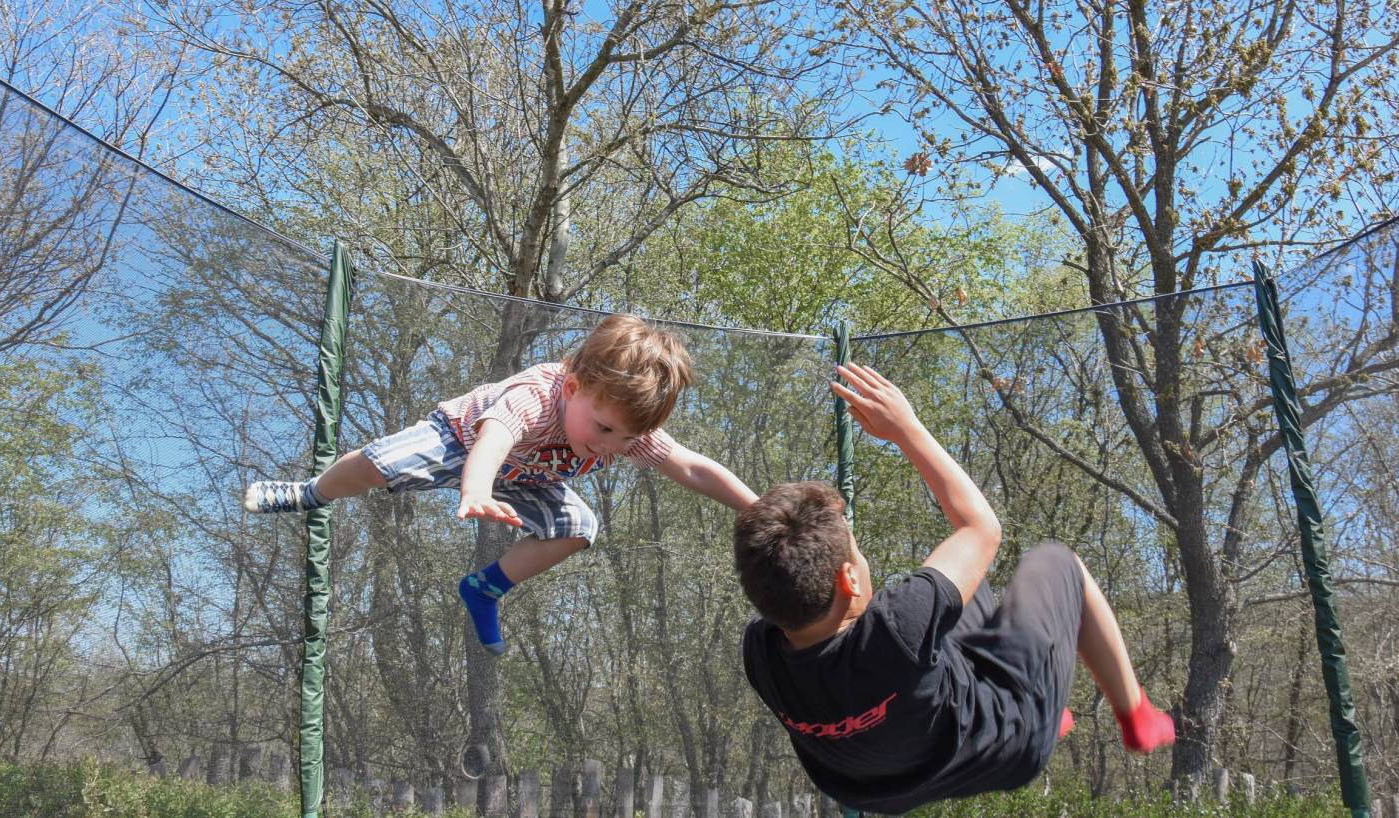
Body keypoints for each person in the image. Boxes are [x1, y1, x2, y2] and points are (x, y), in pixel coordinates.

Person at [734, 362, 1174, 812]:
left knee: (964, 592)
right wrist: (906, 429)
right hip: (1010, 747)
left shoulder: (761, 652)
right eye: (857, 551)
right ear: (848, 580)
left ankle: (1032, 689)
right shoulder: (898, 627)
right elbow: (981, 527)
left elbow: (779, 566)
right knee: (1056, 563)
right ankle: (1136, 714)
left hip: (872, 788)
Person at [246, 313, 758, 654]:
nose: (608, 447)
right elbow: (495, 436)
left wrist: (755, 508)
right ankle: (310, 492)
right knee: (380, 463)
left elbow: (692, 466)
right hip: (462, 443)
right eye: (602, 429)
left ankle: (484, 587)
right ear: (574, 388)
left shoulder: (622, 433)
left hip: (527, 477)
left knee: (580, 525)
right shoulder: (536, 396)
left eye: (626, 439)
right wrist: (476, 489)